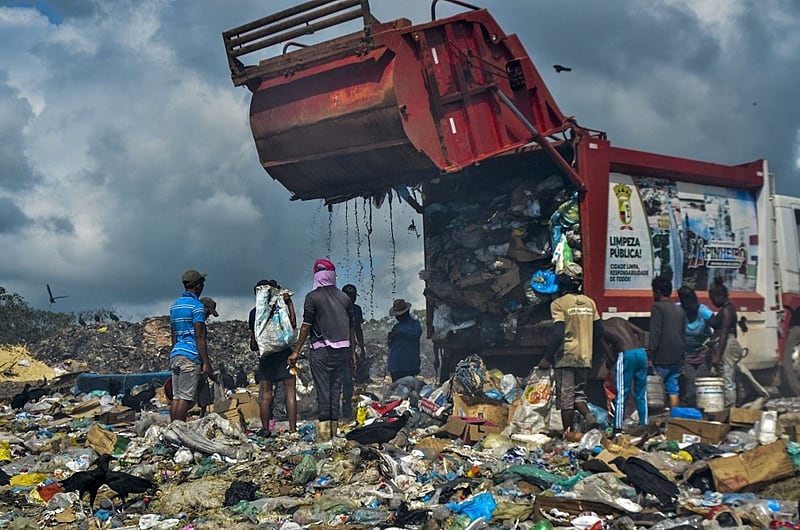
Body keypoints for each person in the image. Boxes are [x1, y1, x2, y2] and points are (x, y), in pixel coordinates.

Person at [290, 259, 354, 442]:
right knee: (335, 390)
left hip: (321, 352)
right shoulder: (344, 298)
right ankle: (334, 434)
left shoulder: (312, 297)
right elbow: (351, 328)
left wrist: (296, 351)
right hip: (342, 351)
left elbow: (306, 326)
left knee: (323, 392)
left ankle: (324, 436)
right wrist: (352, 354)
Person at [538, 273, 603, 436]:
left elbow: (558, 333)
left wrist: (547, 357)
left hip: (566, 355)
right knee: (578, 393)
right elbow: (599, 332)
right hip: (584, 355)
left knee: (566, 397)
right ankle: (590, 418)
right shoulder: (590, 303)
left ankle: (568, 434)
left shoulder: (558, 304)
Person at [708, 277, 769, 407]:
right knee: (732, 375)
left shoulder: (726, 311)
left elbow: (724, 333)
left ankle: (730, 407)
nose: (712, 301)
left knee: (728, 378)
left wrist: (717, 356)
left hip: (727, 345)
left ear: (720, 296)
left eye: (712, 298)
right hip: (727, 344)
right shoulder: (728, 309)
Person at [249, 279, 298, 437]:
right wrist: (289, 303)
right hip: (284, 354)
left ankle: (265, 429)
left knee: (265, 395)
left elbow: (254, 343)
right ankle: (292, 429)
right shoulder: (281, 309)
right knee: (290, 392)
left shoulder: (254, 313)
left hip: (267, 358)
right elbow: (293, 324)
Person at [169, 269, 212, 422]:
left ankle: (172, 431)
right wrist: (206, 361)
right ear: (198, 286)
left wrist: (175, 350)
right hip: (190, 355)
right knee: (185, 399)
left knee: (176, 397)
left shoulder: (175, 307)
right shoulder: (197, 306)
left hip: (176, 354)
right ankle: (180, 433)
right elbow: (199, 335)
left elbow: (173, 334)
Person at [601, 317, 649, 431]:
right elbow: (641, 332)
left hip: (626, 354)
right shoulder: (619, 320)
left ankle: (617, 427)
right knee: (641, 393)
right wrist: (640, 347)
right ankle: (644, 424)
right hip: (641, 353)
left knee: (622, 393)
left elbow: (605, 348)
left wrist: (612, 360)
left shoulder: (600, 327)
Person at [649, 274, 686, 410]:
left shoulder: (657, 307)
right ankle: (674, 417)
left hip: (662, 357)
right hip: (677, 357)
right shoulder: (680, 310)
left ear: (657, 292)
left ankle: (653, 419)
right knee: (673, 389)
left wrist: (650, 355)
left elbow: (655, 333)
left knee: (654, 389)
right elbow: (683, 335)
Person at [677, 286, 714, 407]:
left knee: (703, 381)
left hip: (703, 351)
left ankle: (705, 407)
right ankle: (692, 407)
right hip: (686, 353)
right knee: (690, 380)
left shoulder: (703, 311)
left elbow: (719, 325)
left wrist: (711, 344)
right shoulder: (677, 310)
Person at [340, 284, 366, 417]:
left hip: (349, 350)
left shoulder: (357, 310)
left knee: (348, 380)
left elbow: (358, 330)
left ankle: (347, 407)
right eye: (350, 296)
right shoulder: (336, 309)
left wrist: (361, 347)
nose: (353, 298)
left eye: (354, 295)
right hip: (336, 349)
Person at [387, 299, 422, 382]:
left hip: (409, 365)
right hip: (396, 366)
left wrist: (400, 333)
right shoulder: (396, 327)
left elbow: (416, 335)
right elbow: (390, 344)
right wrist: (390, 337)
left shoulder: (415, 324)